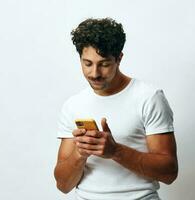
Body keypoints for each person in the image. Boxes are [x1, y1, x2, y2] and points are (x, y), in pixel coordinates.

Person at [54, 17, 178, 200]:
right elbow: (63, 185)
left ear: (119, 58)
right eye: (87, 63)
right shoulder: (73, 105)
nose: (94, 73)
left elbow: (169, 173)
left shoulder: (149, 98)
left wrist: (115, 151)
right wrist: (80, 153)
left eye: (104, 64)